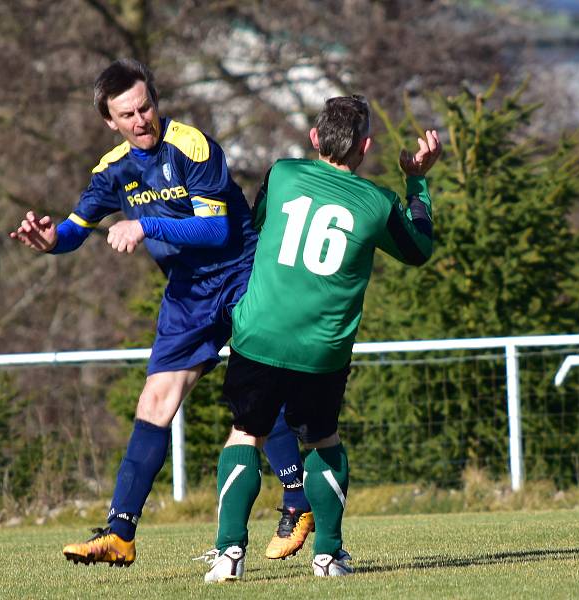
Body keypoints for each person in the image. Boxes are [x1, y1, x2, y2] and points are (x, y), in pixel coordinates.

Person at [9, 59, 313, 566]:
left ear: (156, 100)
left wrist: (147, 227)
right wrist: (48, 241)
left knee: (254, 391)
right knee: (155, 401)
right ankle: (120, 532)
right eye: (126, 114)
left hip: (240, 275)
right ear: (110, 122)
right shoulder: (113, 171)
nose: (140, 120)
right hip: (188, 294)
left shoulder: (193, 147)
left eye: (145, 106)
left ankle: (298, 503)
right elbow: (73, 230)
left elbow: (215, 231)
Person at [200, 95, 440, 582]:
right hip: (322, 349)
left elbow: (259, 221)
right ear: (366, 147)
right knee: (323, 440)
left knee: (246, 433)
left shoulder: (282, 174)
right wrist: (417, 179)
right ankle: (328, 556)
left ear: (314, 138)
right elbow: (420, 250)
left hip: (260, 333)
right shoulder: (376, 203)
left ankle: (228, 555)